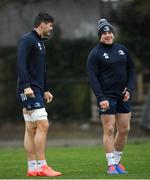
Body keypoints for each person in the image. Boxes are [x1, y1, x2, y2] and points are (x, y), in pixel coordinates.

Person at [87, 19, 135, 174]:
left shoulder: (122, 49)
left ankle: (116, 162)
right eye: (104, 33)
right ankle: (111, 165)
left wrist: (129, 88)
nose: (107, 35)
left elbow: (131, 70)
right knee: (109, 129)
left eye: (109, 32)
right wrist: (101, 98)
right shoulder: (95, 54)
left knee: (124, 129)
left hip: (123, 96)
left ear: (113, 34)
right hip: (107, 97)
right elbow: (93, 78)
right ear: (100, 36)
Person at [17, 12, 61, 177]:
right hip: (28, 89)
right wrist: (26, 86)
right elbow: (20, 63)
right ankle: (43, 166)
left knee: (31, 128)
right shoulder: (27, 39)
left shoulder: (40, 42)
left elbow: (41, 69)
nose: (51, 28)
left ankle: (32, 168)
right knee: (44, 125)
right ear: (42, 24)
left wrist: (46, 89)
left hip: (36, 89)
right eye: (50, 25)